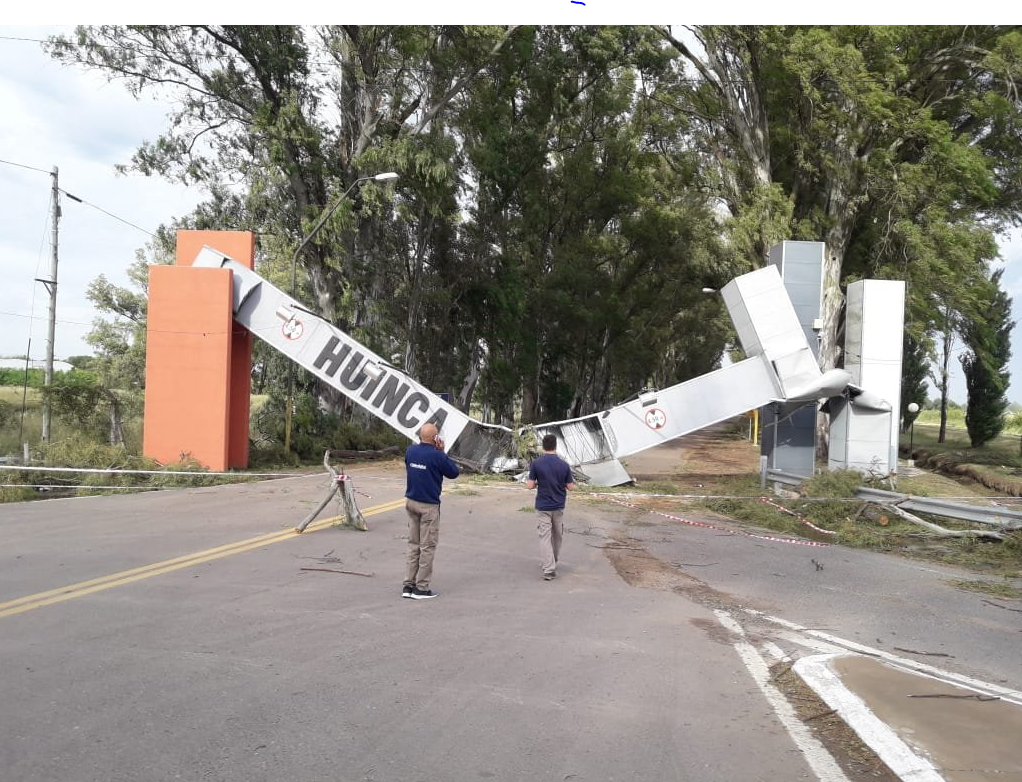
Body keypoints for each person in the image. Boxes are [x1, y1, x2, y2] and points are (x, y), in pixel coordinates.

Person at [402, 422, 460, 600]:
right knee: (427, 547)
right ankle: (422, 588)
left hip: (411, 501)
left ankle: (408, 585)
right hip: (428, 506)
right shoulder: (437, 456)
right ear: (436, 439)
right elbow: (453, 473)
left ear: (420, 436)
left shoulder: (410, 451)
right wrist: (442, 452)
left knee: (414, 545)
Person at [526, 433, 576, 580]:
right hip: (559, 506)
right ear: (555, 446)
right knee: (557, 536)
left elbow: (529, 485)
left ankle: (549, 568)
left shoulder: (536, 463)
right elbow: (570, 487)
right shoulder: (564, 465)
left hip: (543, 506)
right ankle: (552, 562)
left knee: (545, 537)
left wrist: (536, 483)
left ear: (543, 446)